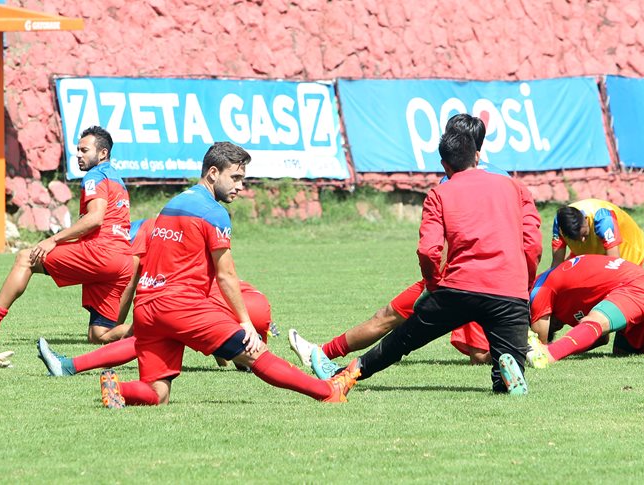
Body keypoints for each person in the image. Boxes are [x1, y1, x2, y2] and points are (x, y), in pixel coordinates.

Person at [97, 142, 360, 408]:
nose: (240, 186)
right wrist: (246, 322)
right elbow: (226, 275)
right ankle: (328, 391)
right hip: (181, 306)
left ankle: (119, 388)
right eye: (235, 178)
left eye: (243, 179)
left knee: (157, 394)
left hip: (148, 308)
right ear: (213, 173)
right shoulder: (214, 213)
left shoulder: (171, 206)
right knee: (255, 352)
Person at [288, 113, 542, 374]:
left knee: (394, 324)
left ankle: (335, 362)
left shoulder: (445, 185)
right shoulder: (510, 182)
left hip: (456, 278)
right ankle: (512, 356)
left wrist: (435, 283)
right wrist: (524, 284)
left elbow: (431, 249)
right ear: (477, 151)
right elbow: (532, 242)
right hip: (507, 281)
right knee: (483, 347)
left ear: (447, 158)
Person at [0, 126, 133, 344]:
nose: (78, 155)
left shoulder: (95, 175)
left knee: (26, 258)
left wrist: (53, 239)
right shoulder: (118, 181)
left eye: (84, 150)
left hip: (101, 254)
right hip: (122, 261)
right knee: (98, 335)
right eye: (77, 150)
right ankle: (152, 328)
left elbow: (95, 218)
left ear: (103, 153)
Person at [35, 218, 274, 376]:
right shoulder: (196, 223)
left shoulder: (151, 227)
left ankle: (69, 366)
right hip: (254, 301)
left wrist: (121, 321)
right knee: (257, 360)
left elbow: (132, 276)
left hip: (215, 303)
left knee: (146, 339)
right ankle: (304, 377)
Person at [524, 255, 644, 368]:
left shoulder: (539, 291)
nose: (560, 326)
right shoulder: (565, 297)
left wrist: (550, 350)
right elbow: (602, 339)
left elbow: (539, 343)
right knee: (627, 349)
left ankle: (552, 355)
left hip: (638, 287)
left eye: (554, 324)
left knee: (593, 322)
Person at [551, 199, 644, 269]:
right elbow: (557, 264)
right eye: (575, 239)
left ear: (586, 219)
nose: (583, 241)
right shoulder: (560, 223)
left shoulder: (602, 218)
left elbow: (615, 263)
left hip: (626, 250)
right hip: (593, 250)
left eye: (584, 235)